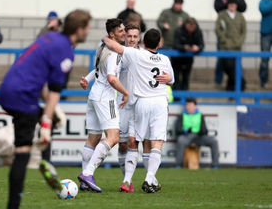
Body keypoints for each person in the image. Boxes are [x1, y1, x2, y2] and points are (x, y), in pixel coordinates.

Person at [0, 9, 91, 209]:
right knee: (22, 153)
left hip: (9, 89)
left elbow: (40, 77)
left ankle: (43, 157)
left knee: (56, 118)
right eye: (87, 28)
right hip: (21, 96)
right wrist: (46, 121)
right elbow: (55, 91)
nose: (89, 31)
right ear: (79, 29)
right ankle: (13, 204)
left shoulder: (49, 36)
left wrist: (50, 116)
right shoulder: (66, 51)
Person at [80, 24, 173, 192]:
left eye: (134, 37)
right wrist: (87, 78)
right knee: (122, 143)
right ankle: (144, 178)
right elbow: (101, 71)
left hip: (138, 103)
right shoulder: (121, 53)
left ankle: (128, 181)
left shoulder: (137, 54)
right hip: (122, 104)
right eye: (128, 36)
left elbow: (168, 76)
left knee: (135, 141)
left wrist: (169, 78)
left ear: (140, 39)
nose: (131, 39)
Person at [77, 18, 129, 193]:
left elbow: (98, 68)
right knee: (113, 137)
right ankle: (88, 174)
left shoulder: (102, 45)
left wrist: (87, 79)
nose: (124, 33)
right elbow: (112, 78)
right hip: (106, 98)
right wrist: (126, 93)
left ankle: (85, 179)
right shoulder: (114, 53)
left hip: (93, 95)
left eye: (124, 30)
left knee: (93, 137)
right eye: (121, 31)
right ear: (112, 34)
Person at [175, 98, 219, 169]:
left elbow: (205, 130)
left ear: (195, 106)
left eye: (190, 105)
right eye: (187, 105)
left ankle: (215, 165)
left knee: (214, 141)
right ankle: (178, 165)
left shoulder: (200, 115)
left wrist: (201, 131)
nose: (188, 107)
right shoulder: (182, 115)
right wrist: (186, 131)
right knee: (181, 141)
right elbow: (177, 130)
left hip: (199, 137)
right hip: (186, 136)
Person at [213, 0, 247, 85]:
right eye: (230, 4)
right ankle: (218, 81)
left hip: (236, 46)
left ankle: (237, 85)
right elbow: (218, 29)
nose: (232, 6)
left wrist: (239, 42)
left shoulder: (240, 16)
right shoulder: (222, 15)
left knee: (236, 66)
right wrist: (225, 41)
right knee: (224, 64)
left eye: (234, 4)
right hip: (224, 45)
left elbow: (243, 31)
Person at [172, 17, 204, 91]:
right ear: (186, 25)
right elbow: (175, 45)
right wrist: (184, 47)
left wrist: (197, 48)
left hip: (188, 59)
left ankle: (185, 97)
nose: (191, 28)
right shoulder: (179, 31)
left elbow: (201, 45)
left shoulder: (198, 31)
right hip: (177, 59)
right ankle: (177, 98)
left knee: (186, 78)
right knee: (176, 78)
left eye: (193, 26)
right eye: (190, 26)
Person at [259, 0, 272, 88]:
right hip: (266, 33)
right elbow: (263, 9)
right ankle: (263, 81)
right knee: (264, 58)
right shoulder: (264, 0)